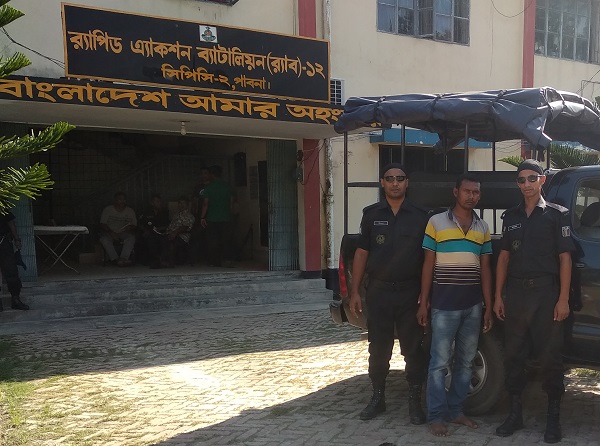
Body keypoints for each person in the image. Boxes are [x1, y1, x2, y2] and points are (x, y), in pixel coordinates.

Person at [494, 159, 574, 444]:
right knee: (513, 356)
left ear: (542, 180)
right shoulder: (510, 216)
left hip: (545, 296)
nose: (526, 184)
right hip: (516, 295)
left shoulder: (556, 215)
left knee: (551, 358)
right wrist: (498, 296)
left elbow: (565, 259)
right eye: (521, 179)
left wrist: (562, 299)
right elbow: (504, 258)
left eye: (532, 178)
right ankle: (515, 414)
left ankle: (553, 418)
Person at [349, 163, 428, 424]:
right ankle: (378, 397)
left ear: (407, 182)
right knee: (378, 349)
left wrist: (425, 296)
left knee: (413, 349)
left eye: (400, 178)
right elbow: (362, 253)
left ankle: (414, 401)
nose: (395, 183)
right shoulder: (371, 214)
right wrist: (354, 292)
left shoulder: (420, 216)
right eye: (390, 178)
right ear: (382, 182)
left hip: (409, 292)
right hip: (379, 291)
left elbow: (428, 258)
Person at [417, 174, 493, 437]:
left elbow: (485, 269)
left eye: (476, 192)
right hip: (444, 305)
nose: (471, 196)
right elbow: (428, 264)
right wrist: (424, 302)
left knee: (466, 361)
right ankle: (436, 416)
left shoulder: (483, 227)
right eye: (467, 191)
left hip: (472, 306)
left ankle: (456, 411)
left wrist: (487, 305)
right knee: (439, 363)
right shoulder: (436, 222)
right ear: (456, 192)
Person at [200, 165, 235, 267]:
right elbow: (231, 204)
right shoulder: (228, 187)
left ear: (212, 174)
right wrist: (231, 215)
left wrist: (202, 217)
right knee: (226, 240)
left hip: (212, 218)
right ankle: (227, 260)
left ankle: (214, 261)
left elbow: (205, 204)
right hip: (226, 218)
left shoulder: (209, 188)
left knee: (213, 241)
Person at [0, 211, 30, 311]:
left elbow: (10, 221)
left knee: (11, 271)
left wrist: (17, 239)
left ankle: (15, 299)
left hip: (4, 242)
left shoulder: (2, 204)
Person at [99, 192, 137, 266]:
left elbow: (134, 225)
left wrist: (130, 227)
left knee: (131, 238)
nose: (122, 201)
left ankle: (123, 258)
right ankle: (115, 259)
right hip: (109, 232)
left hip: (123, 232)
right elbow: (102, 224)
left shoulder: (130, 211)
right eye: (120, 199)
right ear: (115, 200)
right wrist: (111, 233)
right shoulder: (108, 209)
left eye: (124, 199)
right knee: (104, 240)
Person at [138, 194, 170, 268]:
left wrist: (160, 229)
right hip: (149, 232)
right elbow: (140, 224)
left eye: (160, 201)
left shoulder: (164, 212)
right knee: (149, 239)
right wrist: (145, 230)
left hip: (161, 233)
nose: (159, 203)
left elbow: (168, 225)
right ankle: (154, 261)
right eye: (157, 201)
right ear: (152, 203)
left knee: (164, 240)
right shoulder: (146, 212)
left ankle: (162, 261)